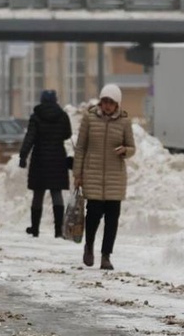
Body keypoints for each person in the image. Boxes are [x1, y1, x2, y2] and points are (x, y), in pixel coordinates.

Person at [72, 84, 135, 271]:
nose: (107, 106)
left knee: (112, 219)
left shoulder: (124, 122)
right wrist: (77, 174)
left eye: (111, 103)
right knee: (93, 216)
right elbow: (81, 148)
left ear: (117, 104)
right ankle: (89, 246)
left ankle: (106, 255)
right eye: (105, 102)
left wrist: (125, 151)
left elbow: (132, 147)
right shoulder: (89, 119)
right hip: (92, 175)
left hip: (115, 178)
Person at [19, 89, 72, 238]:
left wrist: (23, 156)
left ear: (41, 100)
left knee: (38, 194)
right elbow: (67, 134)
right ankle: (58, 230)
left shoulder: (36, 117)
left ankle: (35, 229)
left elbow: (30, 137)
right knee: (57, 193)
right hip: (57, 158)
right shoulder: (62, 116)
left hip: (40, 159)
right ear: (55, 100)